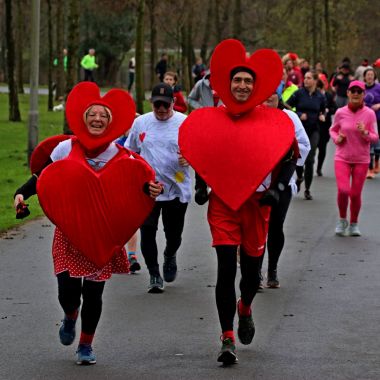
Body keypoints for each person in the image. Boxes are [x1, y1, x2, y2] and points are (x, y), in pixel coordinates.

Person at [13, 82, 162, 365]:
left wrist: (151, 190)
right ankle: (70, 316)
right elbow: (42, 177)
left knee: (94, 293)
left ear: (110, 122)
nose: (97, 119)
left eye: (103, 115)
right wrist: (21, 193)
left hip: (103, 234)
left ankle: (86, 344)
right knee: (68, 293)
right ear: (83, 119)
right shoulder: (65, 148)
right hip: (70, 231)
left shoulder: (121, 156)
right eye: (92, 114)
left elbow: (142, 184)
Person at [179, 39, 298, 365]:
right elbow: (204, 153)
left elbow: (289, 158)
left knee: (249, 275)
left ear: (255, 86)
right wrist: (202, 184)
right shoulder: (212, 118)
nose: (242, 85)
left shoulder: (273, 120)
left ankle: (245, 307)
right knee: (225, 268)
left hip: (258, 204)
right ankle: (226, 337)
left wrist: (277, 188)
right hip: (224, 203)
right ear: (227, 85)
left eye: (248, 81)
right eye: (237, 80)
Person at [125, 83, 191, 293]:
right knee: (148, 231)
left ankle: (170, 255)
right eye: (157, 105)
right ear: (151, 103)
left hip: (177, 186)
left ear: (173, 102)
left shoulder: (185, 123)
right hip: (148, 188)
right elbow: (130, 152)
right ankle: (154, 274)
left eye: (165, 104)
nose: (161, 109)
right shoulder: (141, 123)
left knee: (174, 234)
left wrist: (190, 158)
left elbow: (201, 152)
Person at [260, 92, 310, 288]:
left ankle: (272, 268)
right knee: (256, 228)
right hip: (255, 183)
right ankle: (255, 271)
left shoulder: (289, 117)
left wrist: (283, 157)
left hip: (282, 182)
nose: (267, 96)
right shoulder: (249, 115)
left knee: (275, 225)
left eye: (272, 92)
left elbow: (303, 145)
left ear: (278, 95)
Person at [330, 80, 378, 236]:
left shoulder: (369, 114)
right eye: (353, 91)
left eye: (359, 91)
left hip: (361, 159)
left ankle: (354, 224)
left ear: (364, 95)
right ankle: (342, 220)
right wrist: (337, 139)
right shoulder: (340, 112)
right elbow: (333, 130)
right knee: (344, 190)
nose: (356, 94)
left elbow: (375, 137)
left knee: (356, 194)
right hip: (342, 157)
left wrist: (365, 133)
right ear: (348, 93)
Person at [286, 70, 326, 200]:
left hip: (314, 129)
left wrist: (322, 115)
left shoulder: (320, 96)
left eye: (309, 78)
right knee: (298, 156)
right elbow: (286, 105)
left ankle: (307, 189)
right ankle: (299, 176)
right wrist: (298, 114)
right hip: (300, 131)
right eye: (305, 78)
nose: (306, 80)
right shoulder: (298, 93)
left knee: (310, 159)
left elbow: (324, 109)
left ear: (315, 80)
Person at [316, 79, 337, 176]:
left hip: (325, 125)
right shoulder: (313, 95)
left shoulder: (328, 96)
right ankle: (308, 165)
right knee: (312, 147)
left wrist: (328, 110)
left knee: (322, 147)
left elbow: (335, 108)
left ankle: (319, 168)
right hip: (315, 124)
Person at [363, 68, 380, 178]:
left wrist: (379, 105)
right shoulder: (360, 88)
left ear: (374, 77)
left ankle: (377, 162)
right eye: (367, 75)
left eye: (371, 74)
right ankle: (369, 169)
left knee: (377, 143)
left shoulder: (379, 87)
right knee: (368, 143)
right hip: (366, 119)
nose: (369, 76)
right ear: (364, 77)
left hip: (378, 118)